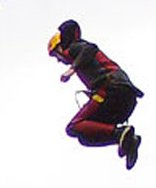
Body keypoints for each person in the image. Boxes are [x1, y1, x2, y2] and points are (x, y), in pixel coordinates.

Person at [50, 19, 144, 169]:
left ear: (60, 47)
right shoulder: (79, 53)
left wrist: (72, 70)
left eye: (56, 55)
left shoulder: (74, 48)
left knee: (74, 126)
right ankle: (127, 139)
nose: (58, 60)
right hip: (126, 99)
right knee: (85, 137)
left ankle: (119, 133)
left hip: (112, 90)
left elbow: (90, 49)